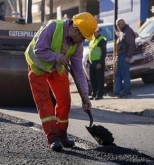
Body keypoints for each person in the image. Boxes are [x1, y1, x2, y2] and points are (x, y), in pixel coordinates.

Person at [24, 12, 97, 151]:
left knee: (65, 100)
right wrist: (57, 57)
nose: (82, 40)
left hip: (57, 68)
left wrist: (85, 96)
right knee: (45, 102)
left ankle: (62, 134)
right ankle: (53, 138)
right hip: (37, 67)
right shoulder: (53, 27)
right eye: (82, 37)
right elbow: (39, 50)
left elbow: (78, 71)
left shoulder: (77, 44)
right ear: (76, 29)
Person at [114, 18, 136, 97]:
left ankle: (127, 91)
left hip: (124, 55)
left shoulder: (128, 32)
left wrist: (128, 56)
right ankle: (118, 91)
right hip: (121, 55)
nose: (117, 26)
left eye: (118, 25)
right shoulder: (122, 32)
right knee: (119, 74)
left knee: (125, 74)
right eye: (117, 25)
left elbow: (131, 45)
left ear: (122, 24)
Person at [88, 26, 107, 100]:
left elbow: (103, 53)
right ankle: (94, 93)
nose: (94, 33)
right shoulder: (93, 40)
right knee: (92, 79)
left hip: (98, 62)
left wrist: (100, 63)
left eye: (95, 32)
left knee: (99, 79)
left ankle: (100, 94)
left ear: (98, 32)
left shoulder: (102, 40)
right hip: (92, 62)